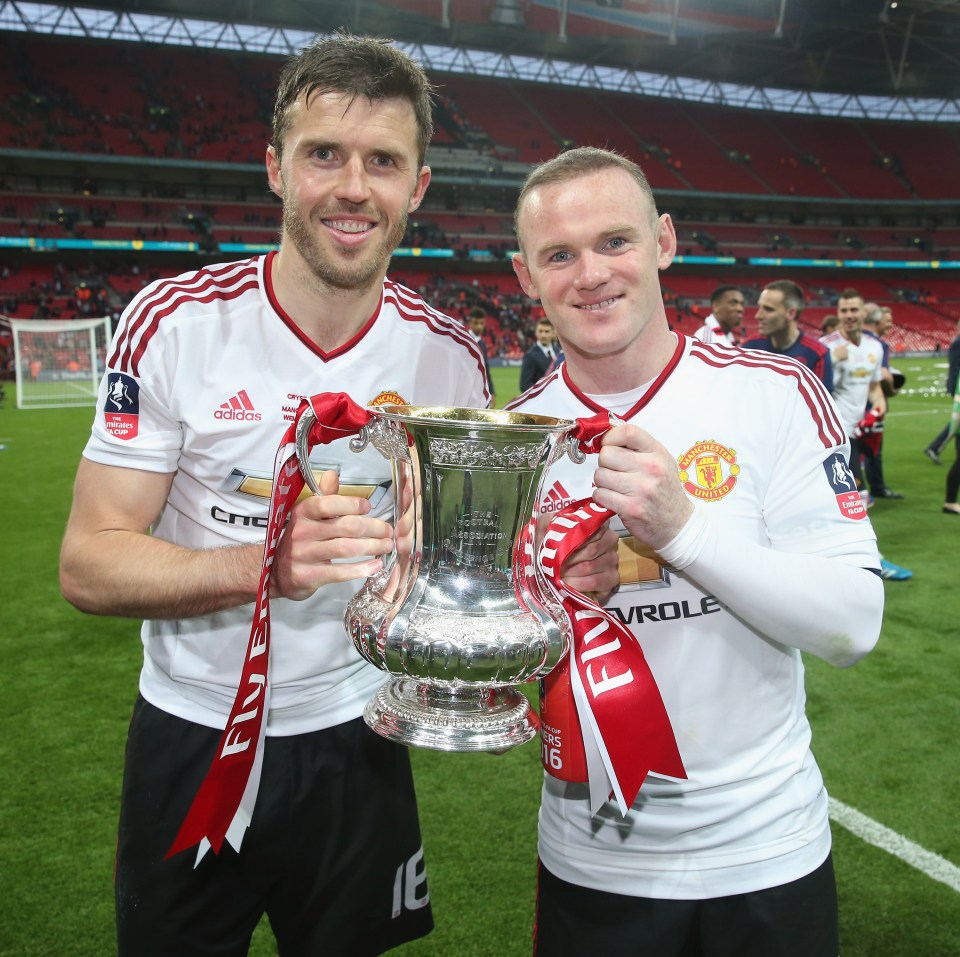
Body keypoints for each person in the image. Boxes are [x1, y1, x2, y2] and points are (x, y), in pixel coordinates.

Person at [58, 33, 491, 957]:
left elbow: (451, 559)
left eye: (383, 161)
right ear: (274, 168)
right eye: (322, 154)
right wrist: (268, 564)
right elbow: (90, 559)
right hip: (193, 732)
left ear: (416, 186)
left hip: (358, 736)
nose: (351, 187)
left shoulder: (449, 356)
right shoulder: (174, 322)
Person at [507, 146, 884, 957]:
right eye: (559, 255)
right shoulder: (508, 437)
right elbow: (496, 677)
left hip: (765, 848)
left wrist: (684, 530)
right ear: (525, 275)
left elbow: (854, 624)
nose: (592, 274)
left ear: (664, 241)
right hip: (592, 859)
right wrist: (537, 597)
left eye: (615, 241)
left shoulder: (773, 391)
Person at [821, 289, 912, 579]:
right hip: (829, 437)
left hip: (856, 435)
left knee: (852, 498)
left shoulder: (875, 347)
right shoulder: (825, 347)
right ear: (838, 314)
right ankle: (871, 561)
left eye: (853, 310)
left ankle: (855, 558)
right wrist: (832, 359)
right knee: (854, 497)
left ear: (863, 313)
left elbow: (875, 389)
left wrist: (876, 409)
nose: (848, 315)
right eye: (843, 310)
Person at [743, 279, 833, 389]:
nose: (758, 316)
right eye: (759, 307)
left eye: (768, 309)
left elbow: (819, 404)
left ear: (791, 313)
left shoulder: (817, 353)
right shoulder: (750, 347)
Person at [861, 304, 903, 499]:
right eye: (887, 320)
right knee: (873, 448)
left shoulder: (850, 339)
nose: (891, 324)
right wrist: (893, 389)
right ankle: (876, 488)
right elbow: (884, 374)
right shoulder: (878, 345)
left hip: (846, 402)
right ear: (877, 322)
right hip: (870, 403)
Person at [925, 318, 960, 465]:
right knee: (957, 422)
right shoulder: (958, 342)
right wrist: (953, 388)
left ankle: (935, 447)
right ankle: (935, 447)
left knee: (957, 421)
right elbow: (955, 367)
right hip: (958, 387)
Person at [520, 316, 559, 391]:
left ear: (553, 333)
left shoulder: (558, 352)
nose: (543, 335)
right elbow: (525, 385)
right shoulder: (530, 355)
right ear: (536, 333)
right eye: (540, 331)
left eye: (547, 331)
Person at [467, 305, 496, 402]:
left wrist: (492, 392)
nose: (479, 326)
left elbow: (486, 370)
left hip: (479, 392)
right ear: (470, 323)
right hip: (466, 390)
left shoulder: (482, 344)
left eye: (481, 323)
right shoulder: (465, 341)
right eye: (476, 323)